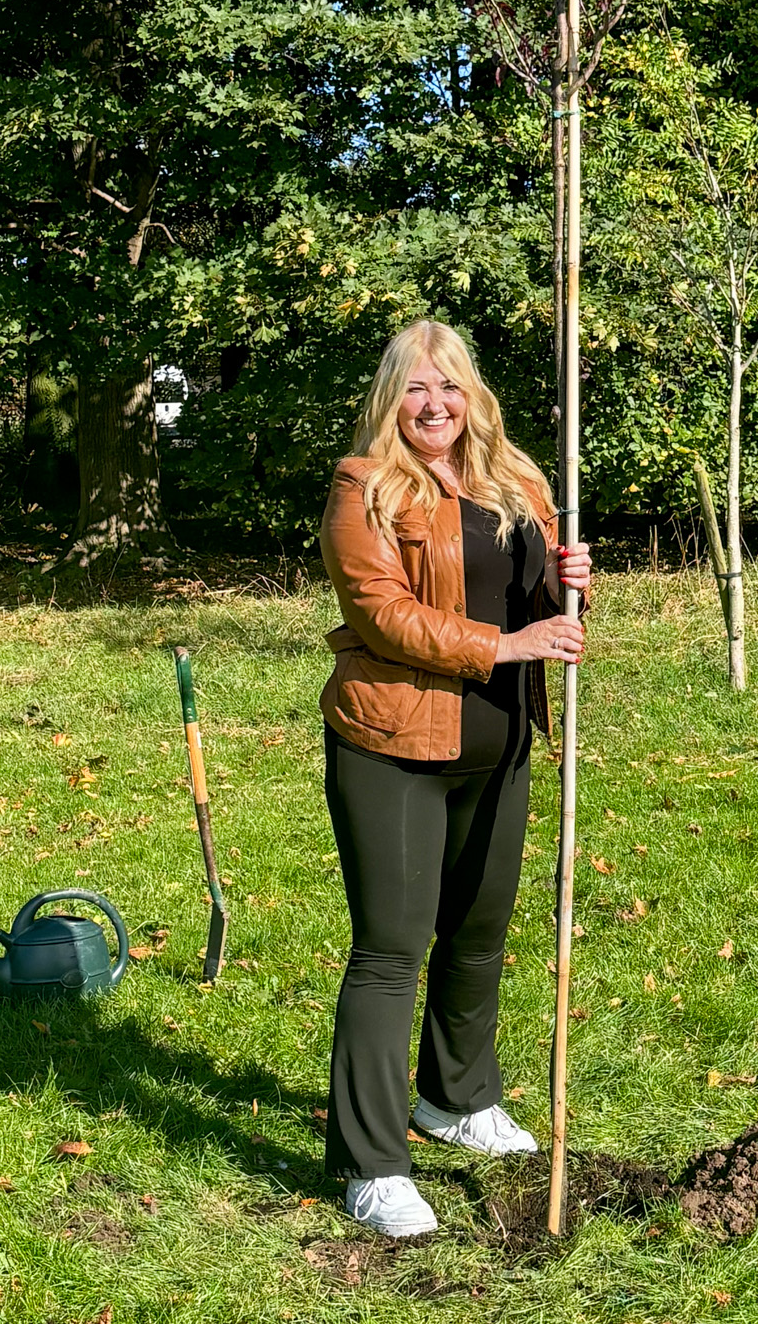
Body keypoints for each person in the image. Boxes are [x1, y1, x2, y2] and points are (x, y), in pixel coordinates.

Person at [316, 318, 591, 1237]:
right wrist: (505, 645)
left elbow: (550, 605)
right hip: (393, 743)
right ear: (391, 400)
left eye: (450, 387)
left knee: (478, 932)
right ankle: (369, 1162)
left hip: (502, 741)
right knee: (392, 948)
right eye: (415, 389)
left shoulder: (521, 483)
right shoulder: (363, 489)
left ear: (473, 395)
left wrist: (573, 583)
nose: (434, 405)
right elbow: (384, 615)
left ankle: (457, 1098)